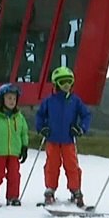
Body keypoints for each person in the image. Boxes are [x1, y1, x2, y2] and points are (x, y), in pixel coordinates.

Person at [34, 66, 92, 207]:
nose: (66, 85)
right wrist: (41, 128)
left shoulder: (75, 100)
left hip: (68, 139)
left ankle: (75, 190)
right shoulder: (49, 101)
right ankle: (50, 189)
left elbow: (86, 115)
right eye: (63, 82)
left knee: (71, 165)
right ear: (56, 84)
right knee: (52, 165)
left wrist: (81, 128)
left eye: (69, 82)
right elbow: (40, 115)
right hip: (52, 139)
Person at [0, 83, 30, 205]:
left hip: (14, 152)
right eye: (9, 98)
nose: (12, 101)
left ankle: (13, 197)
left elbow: (24, 132)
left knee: (14, 176)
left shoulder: (19, 117)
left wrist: (24, 147)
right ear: (1, 99)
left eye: (14, 99)